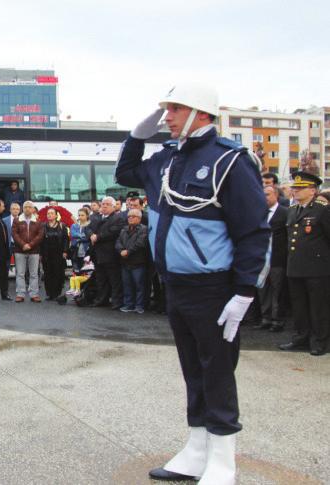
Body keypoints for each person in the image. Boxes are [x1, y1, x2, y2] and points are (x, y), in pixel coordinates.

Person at [116, 83, 270, 484]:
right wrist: (136, 136)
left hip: (214, 287)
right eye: (166, 109)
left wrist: (244, 291)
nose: (167, 116)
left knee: (217, 370)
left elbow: (253, 231)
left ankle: (223, 459)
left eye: (175, 108)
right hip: (177, 285)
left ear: (201, 113)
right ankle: (197, 447)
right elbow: (125, 173)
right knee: (192, 369)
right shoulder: (167, 160)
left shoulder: (230, 161)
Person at [278, 171, 330, 356]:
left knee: (318, 307)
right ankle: (301, 337)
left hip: (317, 268)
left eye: (301, 188)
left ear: (313, 190)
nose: (296, 191)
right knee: (299, 307)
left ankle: (320, 341)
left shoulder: (322, 210)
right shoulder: (292, 210)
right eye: (295, 188)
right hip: (295, 267)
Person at [257, 185, 288, 332]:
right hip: (262, 260)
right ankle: (266, 318)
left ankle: (277, 320)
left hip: (277, 259)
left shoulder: (284, 213)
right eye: (263, 194)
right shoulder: (259, 212)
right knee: (263, 290)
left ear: (276, 195)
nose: (265, 197)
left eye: (268, 194)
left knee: (277, 291)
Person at [88, 196, 126, 309]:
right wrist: (91, 235)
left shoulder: (118, 218)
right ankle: (102, 299)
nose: (104, 206)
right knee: (101, 278)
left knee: (114, 279)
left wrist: (98, 237)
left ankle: (116, 301)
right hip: (97, 253)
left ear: (113, 206)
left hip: (110, 253)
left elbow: (113, 231)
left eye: (107, 204)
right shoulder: (96, 217)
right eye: (103, 203)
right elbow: (88, 228)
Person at [115, 208, 148, 313]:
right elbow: (118, 242)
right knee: (127, 285)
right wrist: (120, 250)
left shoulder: (144, 229)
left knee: (139, 285)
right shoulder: (124, 229)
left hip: (138, 262)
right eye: (129, 216)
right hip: (125, 262)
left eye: (133, 216)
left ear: (139, 218)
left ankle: (139, 306)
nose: (130, 218)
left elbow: (140, 243)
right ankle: (128, 304)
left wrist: (128, 251)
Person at [12, 200, 43, 302]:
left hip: (34, 251)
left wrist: (30, 245)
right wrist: (23, 244)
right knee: (20, 273)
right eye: (25, 207)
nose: (27, 209)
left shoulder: (38, 221)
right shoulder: (17, 220)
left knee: (34, 274)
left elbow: (40, 235)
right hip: (19, 250)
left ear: (33, 209)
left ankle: (34, 294)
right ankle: (20, 294)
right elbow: (14, 234)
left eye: (29, 207)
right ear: (22, 208)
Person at [40, 207, 69, 300]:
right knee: (48, 273)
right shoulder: (43, 225)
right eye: (48, 213)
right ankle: (49, 293)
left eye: (52, 213)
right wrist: (40, 253)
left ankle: (57, 293)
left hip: (58, 253)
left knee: (58, 273)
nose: (50, 215)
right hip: (46, 253)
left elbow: (66, 240)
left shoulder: (62, 225)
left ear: (56, 215)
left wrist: (65, 251)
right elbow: (40, 240)